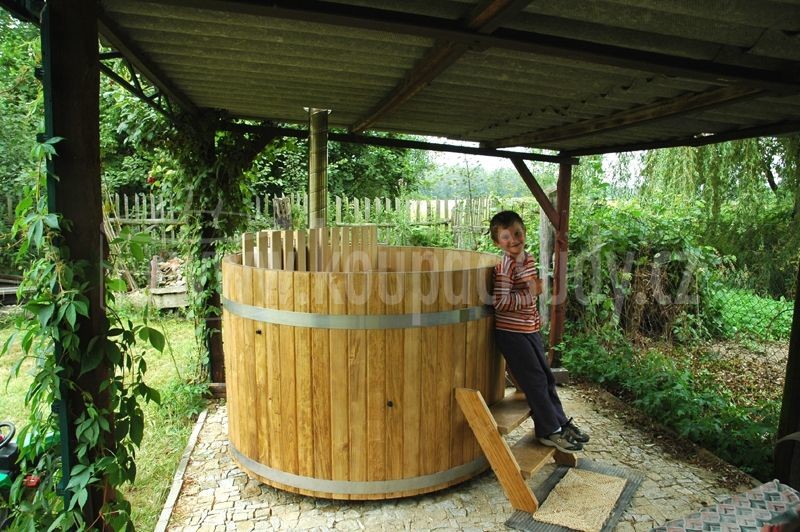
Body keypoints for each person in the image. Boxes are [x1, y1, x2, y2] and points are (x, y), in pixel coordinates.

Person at [489, 210, 589, 453]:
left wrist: (534, 316)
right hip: (512, 333)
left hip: (528, 329)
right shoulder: (506, 266)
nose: (513, 240)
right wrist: (531, 294)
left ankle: (560, 423)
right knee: (534, 381)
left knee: (546, 377)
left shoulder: (528, 259)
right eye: (505, 237)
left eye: (517, 233)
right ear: (496, 242)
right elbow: (500, 302)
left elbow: (530, 295)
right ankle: (548, 431)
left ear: (524, 231)